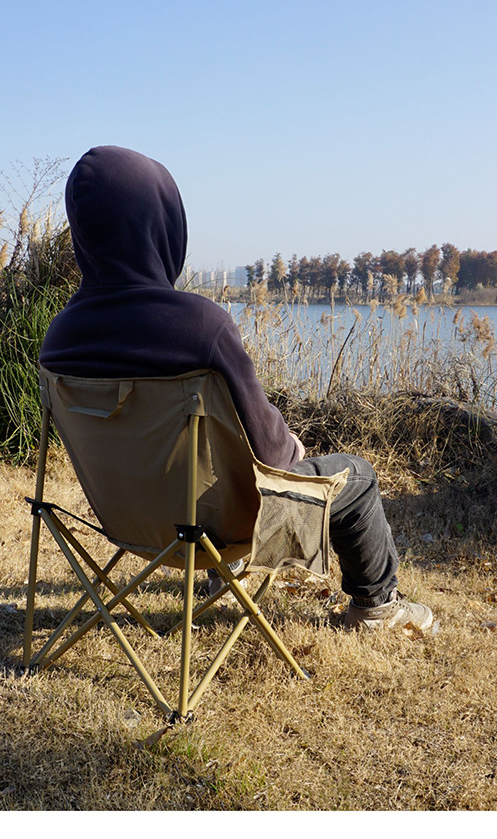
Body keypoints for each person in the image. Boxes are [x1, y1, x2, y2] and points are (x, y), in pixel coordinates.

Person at [40, 146, 434, 634]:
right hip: (224, 529)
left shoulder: (59, 337)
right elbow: (271, 454)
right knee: (357, 476)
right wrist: (293, 447)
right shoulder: (199, 325)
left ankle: (228, 578)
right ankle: (376, 608)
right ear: (162, 226)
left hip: (126, 525)